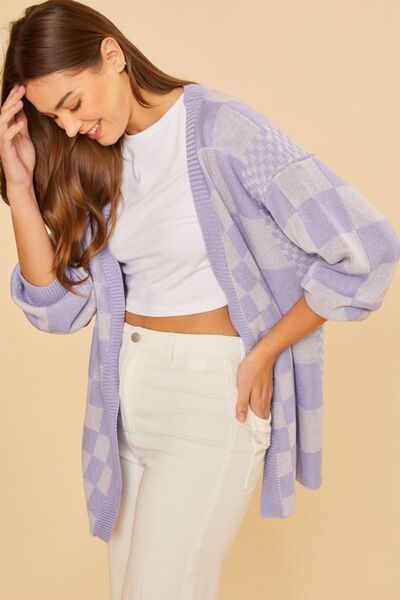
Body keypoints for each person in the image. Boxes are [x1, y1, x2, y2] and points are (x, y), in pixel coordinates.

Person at [2, 1, 399, 599]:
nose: (70, 127)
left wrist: (265, 352)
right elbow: (57, 309)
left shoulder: (223, 131)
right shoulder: (97, 161)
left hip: (209, 399)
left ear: (111, 55)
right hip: (125, 397)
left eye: (73, 103)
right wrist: (20, 187)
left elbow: (368, 248)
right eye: (54, 118)